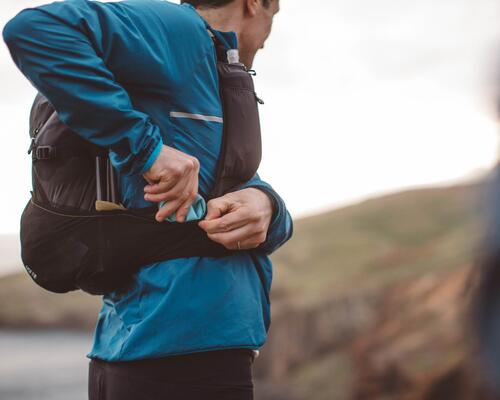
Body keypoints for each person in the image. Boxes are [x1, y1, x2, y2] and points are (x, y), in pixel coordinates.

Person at [3, 0, 292, 399]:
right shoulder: (180, 31)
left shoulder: (208, 62)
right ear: (255, 4)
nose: (265, 41)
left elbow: (225, 182)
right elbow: (33, 28)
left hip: (158, 350)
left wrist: (269, 208)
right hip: (177, 357)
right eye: (273, 19)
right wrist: (145, 150)